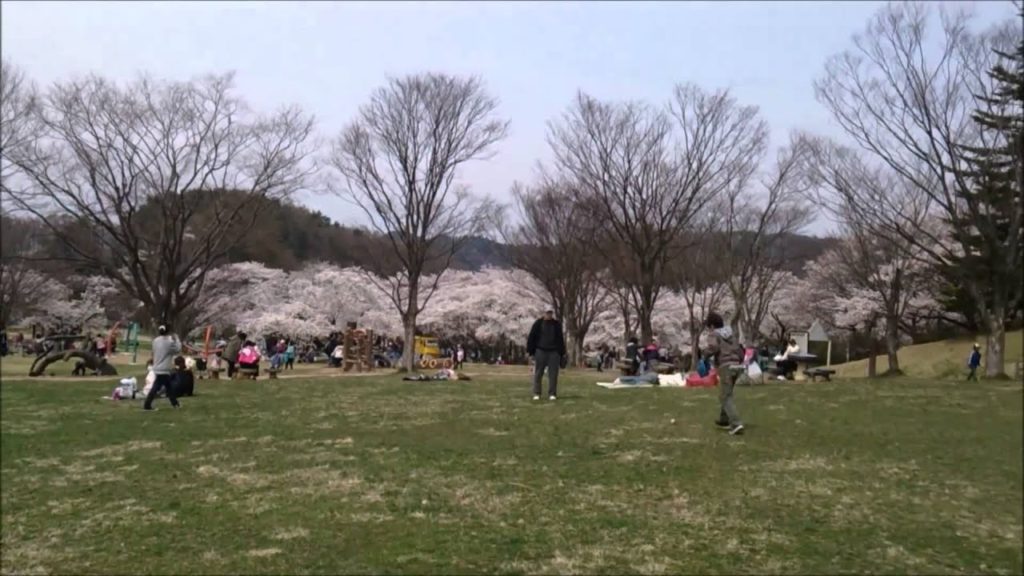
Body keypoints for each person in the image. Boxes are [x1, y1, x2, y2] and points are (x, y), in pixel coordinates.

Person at [703, 312, 746, 435]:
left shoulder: (714, 334)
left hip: (725, 365)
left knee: (725, 396)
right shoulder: (731, 334)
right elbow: (739, 349)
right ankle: (724, 420)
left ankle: (736, 423)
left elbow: (714, 348)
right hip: (737, 365)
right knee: (727, 393)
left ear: (711, 325)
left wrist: (704, 356)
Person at [526, 309, 566, 401]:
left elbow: (560, 339)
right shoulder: (538, 324)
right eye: (547, 313)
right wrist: (530, 351)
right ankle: (537, 393)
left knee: (553, 374)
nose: (549, 315)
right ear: (544, 313)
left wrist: (562, 352)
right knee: (538, 373)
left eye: (550, 313)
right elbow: (532, 337)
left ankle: (552, 393)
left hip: (554, 352)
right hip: (540, 350)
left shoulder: (556, 324)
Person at [143, 325, 182, 411]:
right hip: (164, 369)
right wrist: (177, 339)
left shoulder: (156, 341)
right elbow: (178, 349)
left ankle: (175, 403)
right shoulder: (168, 342)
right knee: (156, 387)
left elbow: (153, 352)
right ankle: (147, 404)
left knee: (169, 387)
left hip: (157, 367)